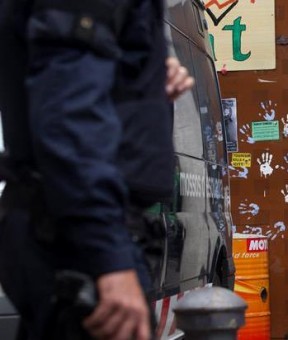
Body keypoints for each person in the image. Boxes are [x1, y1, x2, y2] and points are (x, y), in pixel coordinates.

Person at [0, 1, 193, 339]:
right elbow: (68, 121)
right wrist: (110, 258)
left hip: (71, 231)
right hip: (73, 236)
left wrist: (144, 84)